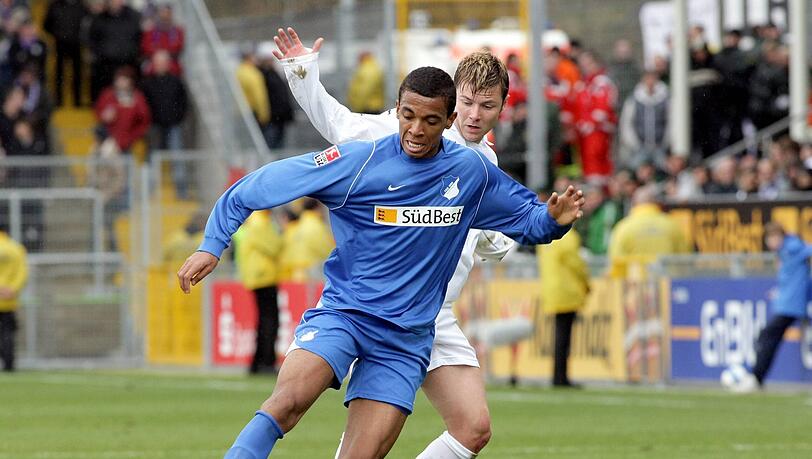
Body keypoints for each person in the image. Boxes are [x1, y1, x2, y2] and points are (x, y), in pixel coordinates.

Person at [177, 66, 585, 459]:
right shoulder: (360, 162)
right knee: (288, 402)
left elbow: (529, 221)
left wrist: (555, 220)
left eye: (430, 120)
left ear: (449, 122)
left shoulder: (471, 173)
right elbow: (259, 185)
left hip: (405, 340)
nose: (416, 129)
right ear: (397, 110)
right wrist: (212, 244)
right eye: (408, 116)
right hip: (346, 315)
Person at [274, 27, 515, 457]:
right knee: (360, 443)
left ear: (502, 107)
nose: (475, 114)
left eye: (487, 105)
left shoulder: (486, 161)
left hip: (434, 314)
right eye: (467, 102)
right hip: (383, 304)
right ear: (452, 101)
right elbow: (341, 125)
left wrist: (499, 238)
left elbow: (482, 234)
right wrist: (302, 72)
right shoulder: (413, 131)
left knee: (474, 428)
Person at [731, 223, 812, 392]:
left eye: (773, 237)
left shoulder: (792, 247)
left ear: (780, 236)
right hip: (788, 303)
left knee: (767, 336)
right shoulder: (784, 252)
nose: (770, 242)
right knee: (768, 337)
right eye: (768, 238)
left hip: (792, 305)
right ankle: (756, 377)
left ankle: (756, 378)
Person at [233, 210, 283, 375]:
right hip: (264, 277)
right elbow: (275, 247)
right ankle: (266, 362)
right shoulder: (261, 223)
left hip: (258, 276)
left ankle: (258, 362)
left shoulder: (255, 222)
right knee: (270, 322)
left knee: (264, 321)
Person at [537, 228, 589, 387]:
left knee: (560, 336)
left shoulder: (545, 233)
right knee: (563, 337)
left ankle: (558, 376)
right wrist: (586, 283)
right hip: (567, 290)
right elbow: (577, 265)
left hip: (551, 289)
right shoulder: (568, 236)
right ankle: (560, 377)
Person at [607, 185, 691, 278]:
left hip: (635, 283)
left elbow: (615, 264)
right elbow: (685, 260)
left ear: (634, 203)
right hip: (667, 283)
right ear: (656, 203)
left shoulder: (623, 227)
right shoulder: (673, 225)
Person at [141, 50, 188, 197]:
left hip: (173, 125)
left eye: (163, 62)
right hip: (154, 126)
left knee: (177, 157)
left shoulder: (176, 82)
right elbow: (143, 106)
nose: (160, 65)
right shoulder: (147, 84)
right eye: (157, 62)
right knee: (151, 157)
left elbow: (183, 103)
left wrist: (177, 117)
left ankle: (181, 191)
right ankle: (150, 191)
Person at [88, 0, 142, 102]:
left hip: (127, 64)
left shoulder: (133, 16)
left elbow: (138, 38)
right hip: (105, 66)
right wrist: (99, 54)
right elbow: (92, 40)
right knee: (104, 96)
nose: (115, 2)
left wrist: (133, 54)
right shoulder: (99, 18)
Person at [94, 66, 151, 155]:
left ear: (130, 82)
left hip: (128, 136)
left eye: (124, 80)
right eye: (119, 80)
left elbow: (144, 117)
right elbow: (99, 111)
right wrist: (104, 116)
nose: (121, 83)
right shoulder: (107, 94)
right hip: (109, 136)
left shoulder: (137, 97)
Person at [44, 0, 89, 106]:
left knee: (77, 73)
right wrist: (58, 34)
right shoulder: (55, 5)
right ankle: (58, 101)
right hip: (60, 44)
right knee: (59, 73)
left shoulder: (81, 6)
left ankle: (77, 101)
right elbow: (46, 25)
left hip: (76, 44)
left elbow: (87, 24)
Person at [256, 42, 294, 149]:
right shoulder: (261, 74)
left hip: (279, 118)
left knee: (278, 147)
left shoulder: (273, 73)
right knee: (271, 146)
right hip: (271, 118)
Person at [0, 229, 27, 371]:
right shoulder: (15, 248)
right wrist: (12, 289)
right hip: (7, 300)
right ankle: (8, 364)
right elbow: (22, 273)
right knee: (7, 332)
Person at [236, 45, 270, 132]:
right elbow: (259, 96)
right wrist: (263, 114)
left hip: (239, 112)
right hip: (252, 112)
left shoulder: (238, 72)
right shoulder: (253, 74)